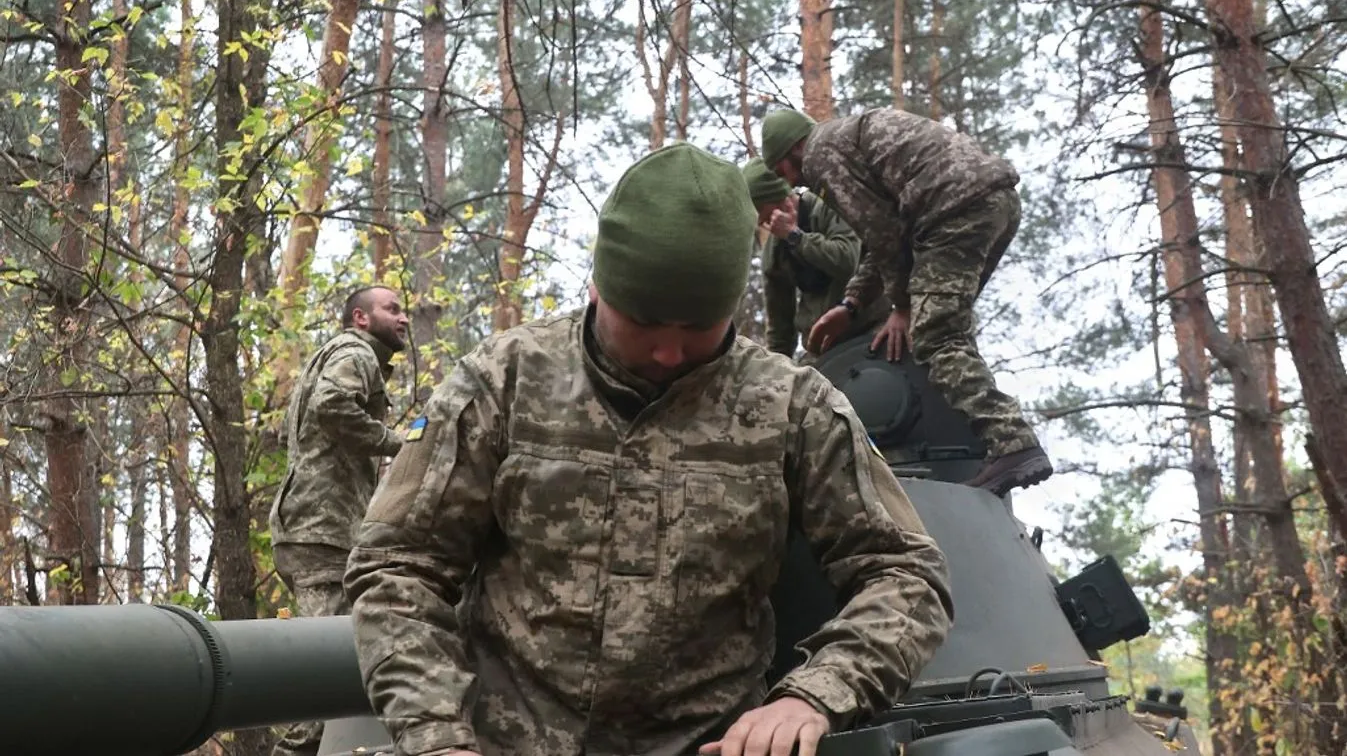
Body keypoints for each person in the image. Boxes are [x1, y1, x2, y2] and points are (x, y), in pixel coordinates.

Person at [343, 143, 954, 756]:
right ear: (598, 288)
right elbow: (398, 565)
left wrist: (816, 693)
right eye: (642, 324)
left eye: (696, 331)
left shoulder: (794, 407)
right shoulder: (504, 381)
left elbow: (907, 574)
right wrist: (435, 734)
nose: (667, 353)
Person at [758, 106, 1053, 497]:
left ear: (793, 149)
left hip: (952, 212)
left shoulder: (821, 153)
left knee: (934, 336)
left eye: (783, 171)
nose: (792, 182)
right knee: (947, 327)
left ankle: (1013, 443)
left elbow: (883, 235)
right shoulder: (844, 139)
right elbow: (883, 235)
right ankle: (1000, 443)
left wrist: (901, 307)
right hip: (990, 202)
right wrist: (851, 305)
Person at [268, 284, 409, 756]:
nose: (404, 317)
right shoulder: (355, 352)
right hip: (319, 532)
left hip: (319, 530)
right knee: (322, 674)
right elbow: (332, 405)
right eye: (392, 309)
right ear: (361, 318)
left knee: (343, 660)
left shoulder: (340, 355)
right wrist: (396, 443)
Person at [741, 157, 890, 363]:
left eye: (762, 214)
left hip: (870, 327)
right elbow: (780, 325)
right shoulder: (774, 252)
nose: (762, 223)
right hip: (822, 347)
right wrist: (776, 368)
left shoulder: (828, 205)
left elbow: (846, 261)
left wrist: (795, 237)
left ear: (775, 198)